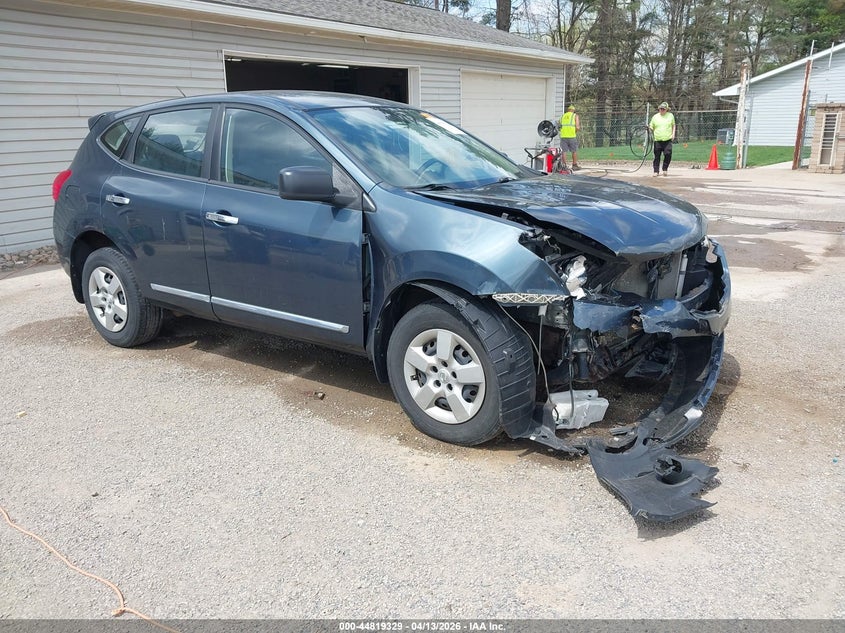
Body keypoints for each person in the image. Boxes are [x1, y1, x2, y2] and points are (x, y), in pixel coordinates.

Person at [649, 101, 676, 176]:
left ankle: (665, 169)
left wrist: (673, 134)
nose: (662, 110)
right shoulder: (655, 117)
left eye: (663, 109)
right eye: (660, 109)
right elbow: (651, 126)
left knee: (668, 154)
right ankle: (656, 171)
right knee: (656, 156)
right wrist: (649, 128)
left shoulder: (670, 116)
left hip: (667, 139)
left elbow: (673, 125)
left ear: (667, 109)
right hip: (657, 140)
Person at [558, 104, 581, 170]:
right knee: (574, 151)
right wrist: (575, 131)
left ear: (568, 110)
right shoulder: (575, 116)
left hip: (563, 136)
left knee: (564, 151)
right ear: (573, 110)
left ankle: (564, 166)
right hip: (572, 136)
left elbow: (559, 126)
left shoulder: (562, 116)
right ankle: (574, 165)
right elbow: (577, 127)